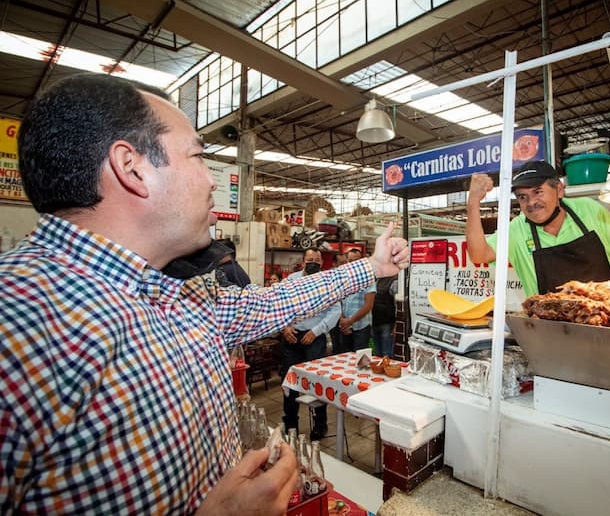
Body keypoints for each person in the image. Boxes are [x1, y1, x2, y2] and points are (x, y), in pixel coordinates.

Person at [0, 73, 410, 515]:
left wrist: (371, 267)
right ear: (131, 167)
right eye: (198, 156)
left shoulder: (175, 292)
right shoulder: (19, 324)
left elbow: (271, 303)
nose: (213, 180)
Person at [466, 161, 610, 296]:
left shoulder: (589, 210)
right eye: (522, 197)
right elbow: (478, 254)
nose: (531, 203)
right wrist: (473, 202)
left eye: (538, 192)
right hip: (552, 330)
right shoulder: (516, 230)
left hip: (608, 323)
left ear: (559, 190)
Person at [280, 248, 339, 441]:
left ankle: (320, 425)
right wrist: (285, 327)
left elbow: (334, 312)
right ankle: (290, 425)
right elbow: (278, 306)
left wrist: (316, 331)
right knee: (290, 383)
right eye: (309, 259)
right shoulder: (290, 281)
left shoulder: (329, 282)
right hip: (292, 335)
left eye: (316, 260)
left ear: (322, 263)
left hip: (315, 335)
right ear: (303, 261)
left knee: (316, 384)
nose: (312, 262)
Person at [337, 248, 376, 352]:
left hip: (361, 326)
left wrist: (350, 321)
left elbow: (368, 305)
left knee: (360, 360)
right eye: (350, 261)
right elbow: (337, 302)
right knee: (344, 358)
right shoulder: (343, 278)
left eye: (356, 260)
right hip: (344, 326)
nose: (353, 263)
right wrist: (342, 321)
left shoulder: (369, 278)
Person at [371, 274, 398, 357]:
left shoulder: (394, 281)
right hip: (374, 321)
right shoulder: (375, 279)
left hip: (387, 323)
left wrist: (396, 324)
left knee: (387, 355)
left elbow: (398, 304)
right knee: (377, 355)